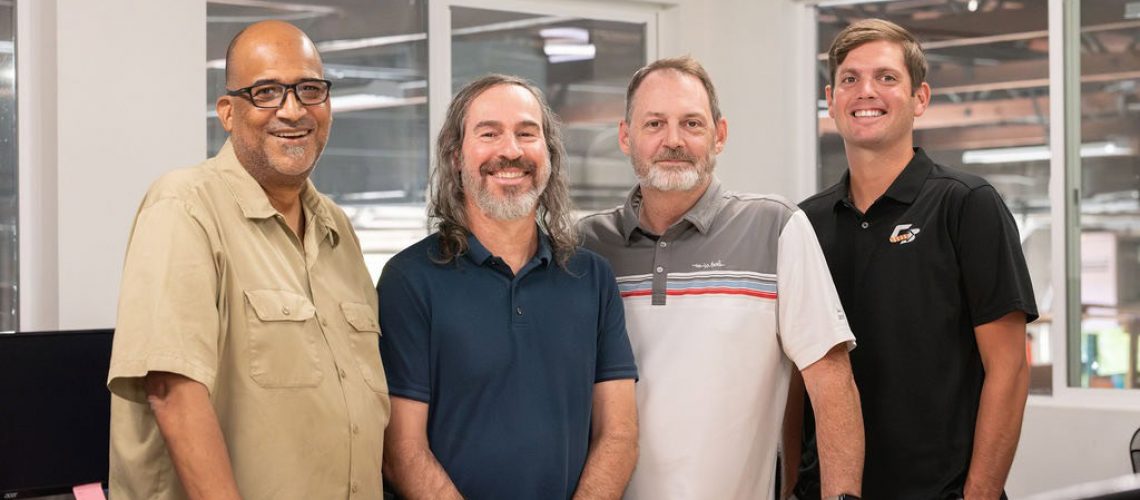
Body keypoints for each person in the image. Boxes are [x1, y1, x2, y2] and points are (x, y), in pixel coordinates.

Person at [106, 21, 389, 500]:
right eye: (267, 92)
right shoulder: (185, 206)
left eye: (310, 89)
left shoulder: (337, 228)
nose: (293, 109)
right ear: (228, 112)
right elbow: (173, 392)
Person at [578, 56, 864, 500]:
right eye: (654, 124)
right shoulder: (586, 246)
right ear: (625, 136)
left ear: (720, 135)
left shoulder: (775, 227)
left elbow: (831, 383)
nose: (673, 141)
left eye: (691, 124)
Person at [794, 18, 1038, 499]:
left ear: (920, 98)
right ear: (831, 99)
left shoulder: (967, 204)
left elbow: (1009, 369)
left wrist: (980, 495)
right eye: (850, 79)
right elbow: (795, 380)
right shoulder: (805, 222)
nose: (866, 91)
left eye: (886, 77)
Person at [378, 74, 639, 499]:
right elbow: (402, 450)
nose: (511, 151)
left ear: (549, 154)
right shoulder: (410, 281)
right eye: (489, 133)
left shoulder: (592, 279)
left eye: (526, 133)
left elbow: (619, 434)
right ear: (455, 155)